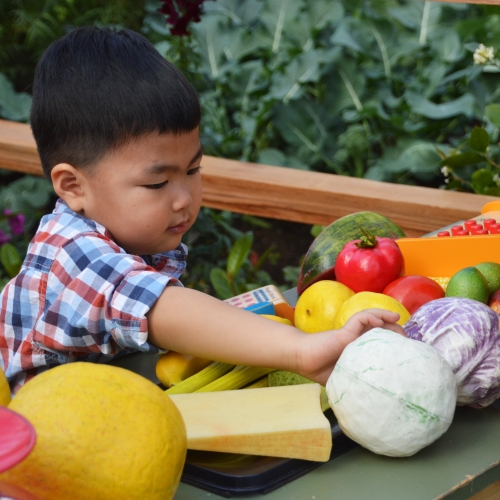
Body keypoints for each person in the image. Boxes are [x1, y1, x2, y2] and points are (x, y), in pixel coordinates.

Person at [0, 27, 404, 394]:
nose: (184, 199)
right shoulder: (73, 255)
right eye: (157, 183)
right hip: (43, 445)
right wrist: (301, 351)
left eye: (193, 169)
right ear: (73, 186)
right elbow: (163, 308)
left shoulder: (123, 228)